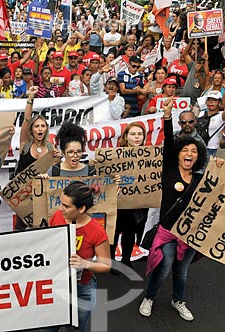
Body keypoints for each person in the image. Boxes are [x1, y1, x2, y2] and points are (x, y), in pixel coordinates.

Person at [139, 97, 223, 322]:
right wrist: (167, 116)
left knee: (182, 272)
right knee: (164, 267)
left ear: (198, 156)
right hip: (167, 233)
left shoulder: (199, 179)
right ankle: (150, 297)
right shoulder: (169, 172)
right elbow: (167, 141)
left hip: (189, 237)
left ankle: (178, 300)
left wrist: (220, 163)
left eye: (194, 151)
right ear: (178, 153)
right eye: (185, 150)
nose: (189, 154)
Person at [49, 181, 111, 332]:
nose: (60, 208)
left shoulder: (97, 231)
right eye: (61, 203)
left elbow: (106, 266)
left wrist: (85, 264)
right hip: (56, 283)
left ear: (81, 208)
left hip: (82, 288)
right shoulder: (57, 216)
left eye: (66, 206)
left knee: (76, 328)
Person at [13, 86, 56, 230]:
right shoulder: (25, 144)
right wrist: (30, 99)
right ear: (32, 129)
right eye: (37, 126)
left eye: (43, 126)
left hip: (42, 196)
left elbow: (56, 174)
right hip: (23, 197)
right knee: (20, 229)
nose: (40, 129)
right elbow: (26, 119)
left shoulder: (51, 148)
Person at [110, 123, 148, 268]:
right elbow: (106, 174)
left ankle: (126, 259)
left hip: (139, 201)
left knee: (131, 230)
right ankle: (112, 260)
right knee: (115, 230)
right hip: (119, 200)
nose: (136, 137)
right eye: (133, 134)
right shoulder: (116, 155)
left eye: (139, 134)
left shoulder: (150, 155)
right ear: (126, 137)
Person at [198, 90, 225, 156]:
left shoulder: (221, 116)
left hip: (211, 149)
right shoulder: (201, 113)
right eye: (209, 100)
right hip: (198, 147)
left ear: (219, 102)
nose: (211, 102)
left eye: (214, 100)